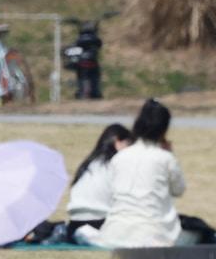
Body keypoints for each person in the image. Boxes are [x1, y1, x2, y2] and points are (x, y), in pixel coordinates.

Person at [76, 99, 187, 248]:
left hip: (114, 232)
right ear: (163, 129)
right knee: (196, 233)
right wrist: (169, 153)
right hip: (153, 233)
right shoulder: (165, 158)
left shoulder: (119, 157)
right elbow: (178, 190)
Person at [65, 124, 133, 238]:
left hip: (74, 225)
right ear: (118, 143)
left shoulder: (88, 164)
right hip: (100, 224)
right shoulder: (116, 164)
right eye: (129, 145)